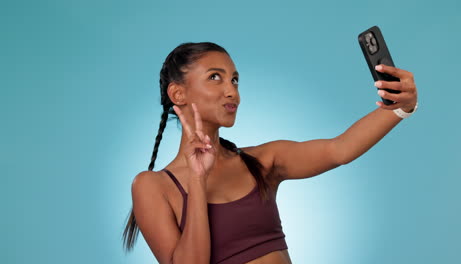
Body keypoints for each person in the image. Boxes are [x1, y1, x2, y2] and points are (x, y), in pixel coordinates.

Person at [121, 42, 418, 264]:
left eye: (235, 80)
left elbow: (338, 150)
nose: (231, 91)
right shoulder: (152, 186)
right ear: (178, 94)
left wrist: (402, 107)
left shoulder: (261, 162)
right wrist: (198, 181)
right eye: (215, 77)